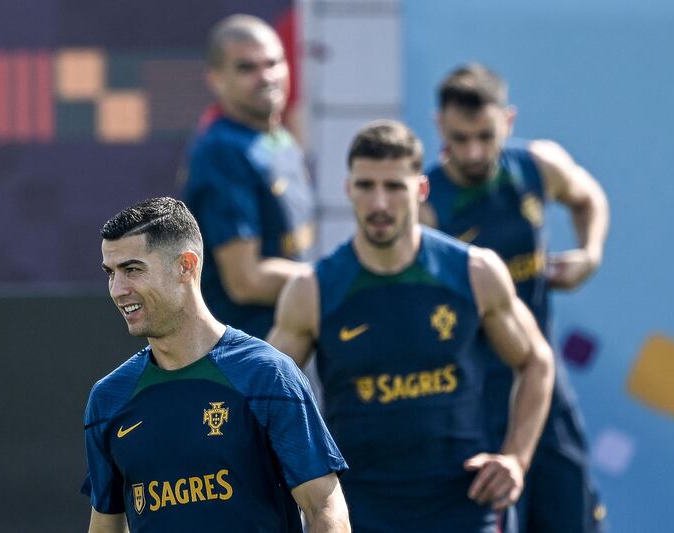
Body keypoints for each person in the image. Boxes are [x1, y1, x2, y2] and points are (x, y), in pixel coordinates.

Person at [267, 121, 554, 532]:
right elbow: (264, 394)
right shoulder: (313, 290)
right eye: (366, 185)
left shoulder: (474, 272)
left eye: (394, 187)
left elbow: (536, 361)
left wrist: (516, 458)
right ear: (349, 189)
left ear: (420, 190)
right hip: (360, 508)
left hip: (464, 504)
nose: (379, 203)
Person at [82, 197, 350, 532]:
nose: (118, 289)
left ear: (186, 265)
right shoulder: (109, 398)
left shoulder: (267, 376)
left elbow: (325, 509)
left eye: (133, 270)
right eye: (111, 272)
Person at [422, 63, 610, 533]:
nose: (473, 151)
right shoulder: (426, 206)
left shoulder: (537, 166)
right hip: (473, 398)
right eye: (460, 138)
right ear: (439, 125)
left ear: (508, 120)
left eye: (485, 136)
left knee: (573, 516)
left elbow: (589, 197)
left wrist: (589, 254)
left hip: (546, 383)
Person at [182, 14, 315, 339]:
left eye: (273, 62)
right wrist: (334, 281)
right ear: (216, 79)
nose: (265, 76)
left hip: (287, 347)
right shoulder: (221, 150)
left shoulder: (282, 139)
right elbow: (246, 281)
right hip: (238, 361)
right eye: (246, 67)